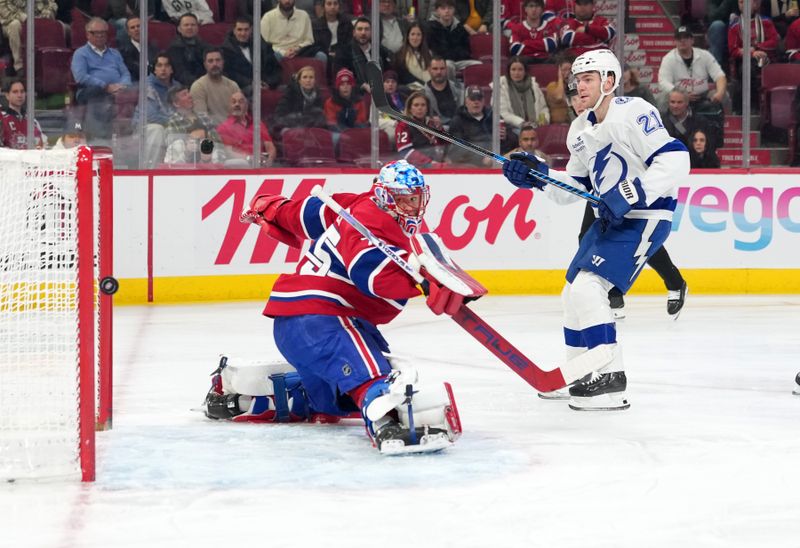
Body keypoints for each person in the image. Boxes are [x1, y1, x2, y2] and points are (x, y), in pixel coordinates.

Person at [206, 160, 463, 454]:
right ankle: (390, 425)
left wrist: (276, 210)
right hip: (322, 318)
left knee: (334, 399)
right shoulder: (372, 220)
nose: (412, 207)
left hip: (301, 321)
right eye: (404, 199)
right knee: (373, 379)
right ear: (385, 197)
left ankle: (242, 398)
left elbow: (306, 215)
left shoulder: (351, 205)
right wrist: (418, 280)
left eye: (416, 199)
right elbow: (370, 274)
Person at [501, 49, 690, 411]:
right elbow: (574, 187)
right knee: (573, 292)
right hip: (611, 219)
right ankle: (579, 372)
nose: (579, 86)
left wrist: (632, 192)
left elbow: (676, 158)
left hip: (646, 216)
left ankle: (609, 376)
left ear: (608, 81)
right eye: (577, 80)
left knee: (589, 288)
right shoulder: (579, 128)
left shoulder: (633, 112)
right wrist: (538, 176)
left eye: (587, 79)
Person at [70, 17, 132, 142]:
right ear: (88, 34)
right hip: (90, 91)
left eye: (103, 33)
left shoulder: (115, 53)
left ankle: (128, 134)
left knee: (133, 92)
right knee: (99, 93)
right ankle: (100, 136)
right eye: (95, 33)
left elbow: (125, 73)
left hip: (116, 91)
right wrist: (105, 86)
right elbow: (81, 76)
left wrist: (122, 86)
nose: (100, 36)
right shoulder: (80, 53)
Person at [448, 85, 513, 167]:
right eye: (473, 99)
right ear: (466, 101)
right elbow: (458, 150)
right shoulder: (458, 121)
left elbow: (513, 140)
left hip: (498, 158)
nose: (476, 102)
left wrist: (506, 136)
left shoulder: (493, 116)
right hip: (471, 164)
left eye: (479, 99)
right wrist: (484, 157)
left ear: (483, 101)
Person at [222, 16, 283, 95]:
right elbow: (230, 74)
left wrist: (268, 83)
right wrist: (253, 83)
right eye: (239, 30)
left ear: (251, 30)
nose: (243, 33)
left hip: (267, 84)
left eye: (246, 30)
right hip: (244, 89)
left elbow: (276, 69)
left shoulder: (262, 46)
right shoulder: (226, 50)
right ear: (234, 31)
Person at [216, 91, 276, 166]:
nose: (237, 104)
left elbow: (270, 147)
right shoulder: (223, 127)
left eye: (240, 102)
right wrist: (249, 158)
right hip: (240, 167)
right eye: (233, 102)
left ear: (246, 105)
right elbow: (228, 152)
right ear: (229, 107)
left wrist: (269, 161)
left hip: (260, 166)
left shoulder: (257, 124)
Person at [425, 0, 481, 78]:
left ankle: (471, 88)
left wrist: (457, 54)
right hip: (442, 62)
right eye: (443, 8)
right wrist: (454, 53)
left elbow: (466, 50)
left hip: (460, 61)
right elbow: (435, 51)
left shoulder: (460, 27)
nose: (447, 11)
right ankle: (451, 88)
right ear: (437, 11)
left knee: (479, 65)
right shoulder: (431, 28)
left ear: (454, 10)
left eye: (450, 8)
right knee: (448, 65)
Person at [495, 55, 550, 133]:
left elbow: (543, 108)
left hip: (535, 126)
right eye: (513, 69)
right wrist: (522, 123)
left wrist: (543, 120)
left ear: (525, 71)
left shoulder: (533, 85)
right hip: (512, 128)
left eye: (520, 69)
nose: (516, 73)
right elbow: (503, 113)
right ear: (508, 71)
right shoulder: (501, 86)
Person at [260, 0, 327, 64]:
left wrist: (298, 49)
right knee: (274, 56)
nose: (287, 1)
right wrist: (283, 52)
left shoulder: (304, 15)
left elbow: (309, 40)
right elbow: (264, 45)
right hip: (277, 52)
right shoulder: (268, 17)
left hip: (301, 51)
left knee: (321, 56)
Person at [190, 47, 242, 126]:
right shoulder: (198, 86)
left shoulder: (233, 85)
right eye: (210, 61)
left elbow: (241, 113)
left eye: (218, 60)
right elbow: (202, 118)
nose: (215, 64)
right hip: (213, 132)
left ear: (223, 62)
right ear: (205, 64)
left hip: (235, 129)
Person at [396, 90, 447, 167]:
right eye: (416, 105)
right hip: (415, 168)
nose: (420, 108)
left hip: (438, 164)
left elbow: (445, 146)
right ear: (410, 109)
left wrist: (441, 130)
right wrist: (431, 163)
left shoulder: (433, 124)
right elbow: (405, 152)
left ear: (427, 108)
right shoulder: (403, 125)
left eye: (423, 105)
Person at [272, 65, 328, 132]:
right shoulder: (290, 93)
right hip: (289, 126)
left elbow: (319, 117)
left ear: (314, 80)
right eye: (305, 77)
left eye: (311, 77)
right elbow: (279, 116)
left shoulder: (318, 96)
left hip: (309, 128)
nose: (308, 80)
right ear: (299, 81)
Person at [167, 13, 212, 88]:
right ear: (179, 29)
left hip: (206, 84)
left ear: (197, 28)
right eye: (186, 25)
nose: (190, 27)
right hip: (184, 87)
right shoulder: (174, 49)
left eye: (193, 25)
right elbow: (180, 74)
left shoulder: (205, 47)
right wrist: (200, 84)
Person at [0, 79, 46, 149]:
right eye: (15, 92)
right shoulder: (2, 120)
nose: (19, 95)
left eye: (22, 91)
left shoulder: (33, 122)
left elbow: (42, 146)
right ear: (7, 95)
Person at [423, 55, 464, 129]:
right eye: (435, 69)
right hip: (439, 131)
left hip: (461, 127)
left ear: (446, 70)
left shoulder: (460, 88)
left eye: (442, 68)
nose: (439, 72)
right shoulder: (422, 94)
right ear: (429, 70)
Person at [394, 22, 433, 90]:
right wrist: (423, 85)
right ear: (408, 36)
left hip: (428, 87)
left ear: (422, 37)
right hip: (409, 88)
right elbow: (404, 77)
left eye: (418, 35)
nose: (415, 38)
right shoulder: (400, 55)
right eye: (412, 34)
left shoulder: (429, 54)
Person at [118, 17, 156, 82]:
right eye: (132, 27)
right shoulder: (125, 51)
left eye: (139, 26)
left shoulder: (153, 45)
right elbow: (137, 70)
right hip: (138, 82)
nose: (136, 29)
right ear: (128, 32)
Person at [544, 53, 576, 123]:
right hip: (558, 125)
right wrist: (560, 78)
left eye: (570, 69)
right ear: (559, 71)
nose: (567, 73)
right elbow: (559, 96)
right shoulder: (552, 86)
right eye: (564, 70)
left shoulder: (577, 86)